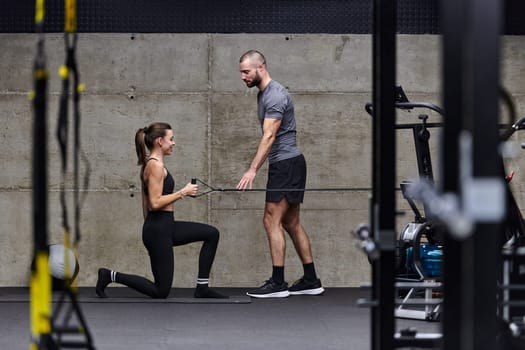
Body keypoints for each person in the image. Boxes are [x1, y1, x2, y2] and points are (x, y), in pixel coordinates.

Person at [96, 122, 227, 299]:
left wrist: (149, 229)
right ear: (159, 141)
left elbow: (145, 204)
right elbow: (154, 203)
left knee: (211, 234)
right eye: (171, 139)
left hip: (163, 227)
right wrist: (183, 192)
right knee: (161, 291)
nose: (173, 143)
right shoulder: (155, 166)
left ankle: (202, 287)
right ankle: (109, 275)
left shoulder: (151, 164)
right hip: (159, 229)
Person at [237, 50, 324, 298]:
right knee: (291, 222)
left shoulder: (274, 96)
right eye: (241, 72)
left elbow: (269, 136)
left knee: (271, 220)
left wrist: (252, 169)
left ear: (261, 67)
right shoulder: (265, 93)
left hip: (285, 164)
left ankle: (277, 283)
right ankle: (311, 279)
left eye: (246, 72)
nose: (243, 77)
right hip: (290, 163)